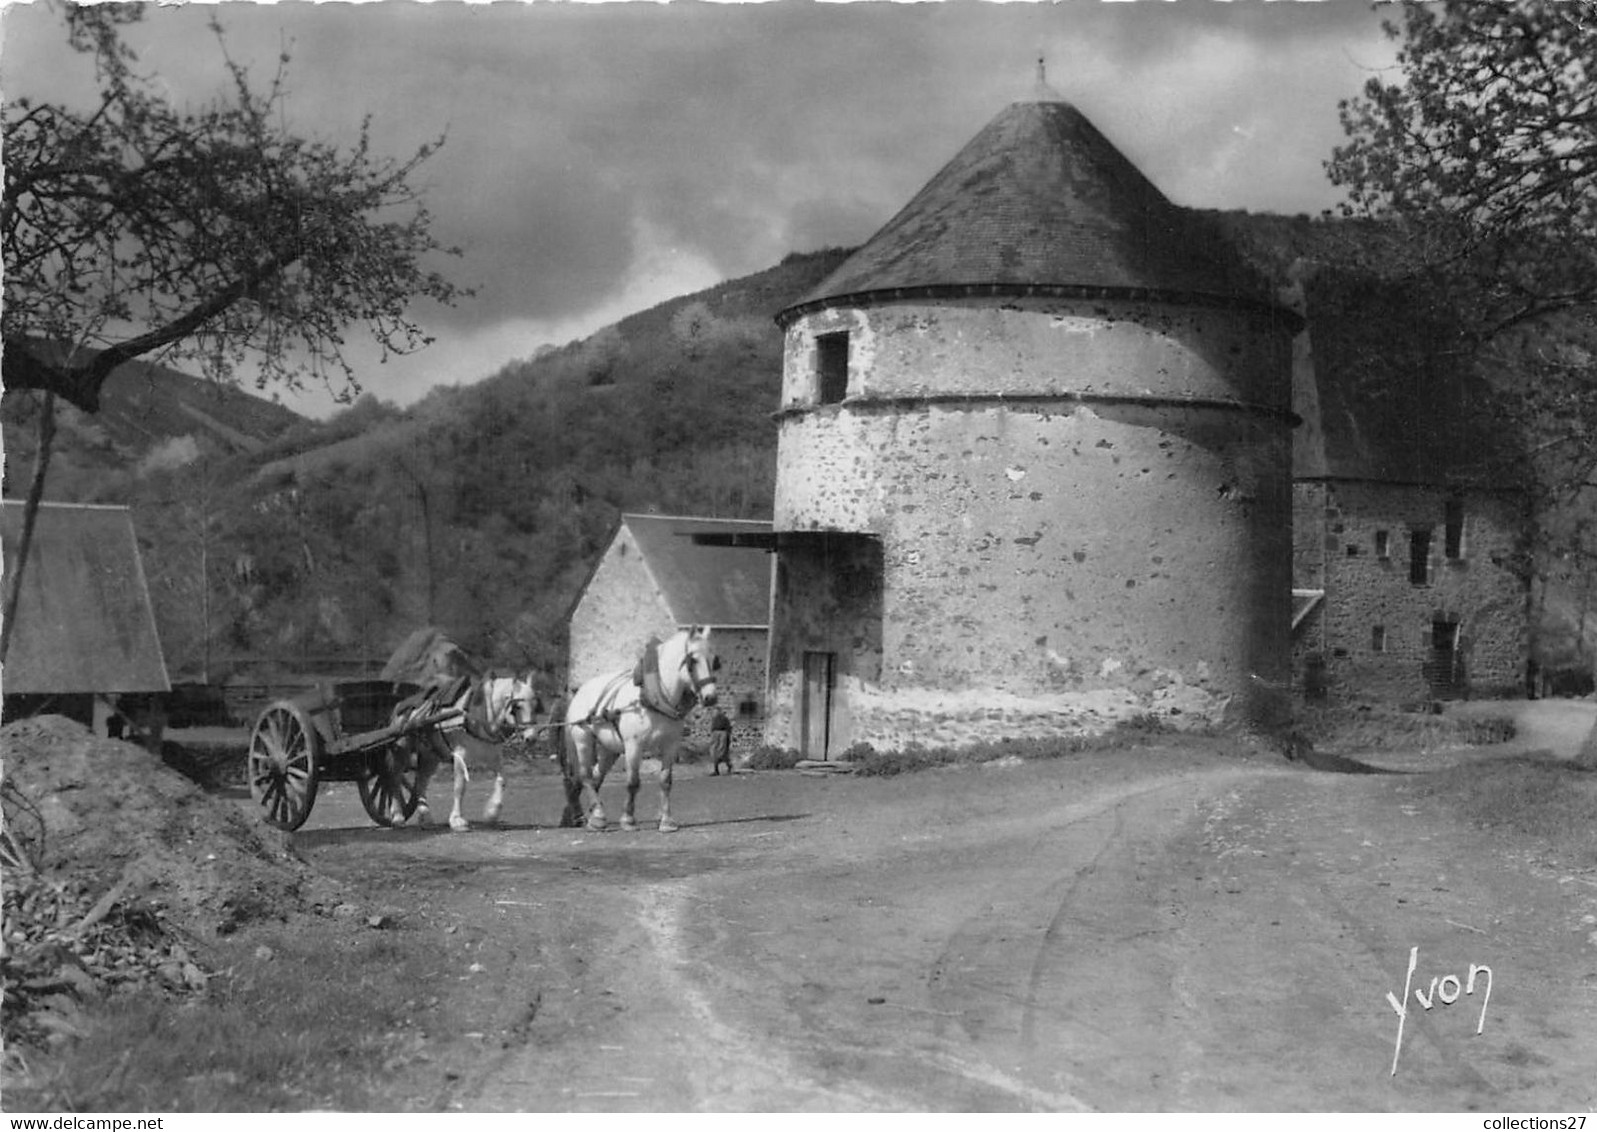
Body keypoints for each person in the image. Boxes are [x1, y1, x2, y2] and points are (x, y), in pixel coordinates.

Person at [708, 707, 733, 776]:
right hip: (715, 734)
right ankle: (716, 770)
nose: (715, 713)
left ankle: (729, 766)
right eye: (715, 711)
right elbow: (712, 728)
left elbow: (728, 729)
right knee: (714, 752)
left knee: (722, 752)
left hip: (723, 734)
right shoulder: (714, 719)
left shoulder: (725, 719)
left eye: (716, 711)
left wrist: (727, 737)